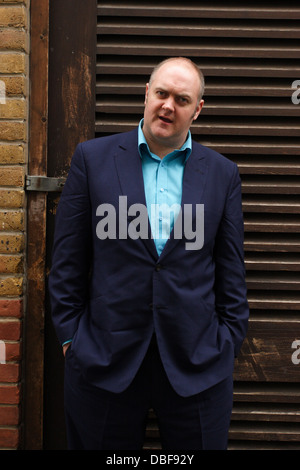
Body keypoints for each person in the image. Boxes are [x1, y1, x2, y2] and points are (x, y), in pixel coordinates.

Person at [49, 57, 249, 450]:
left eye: (181, 98)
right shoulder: (92, 159)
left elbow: (231, 271)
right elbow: (68, 262)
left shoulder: (223, 174)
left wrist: (227, 341)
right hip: (103, 361)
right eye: (161, 93)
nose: (168, 106)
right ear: (146, 93)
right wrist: (72, 338)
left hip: (198, 364)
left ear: (198, 109)